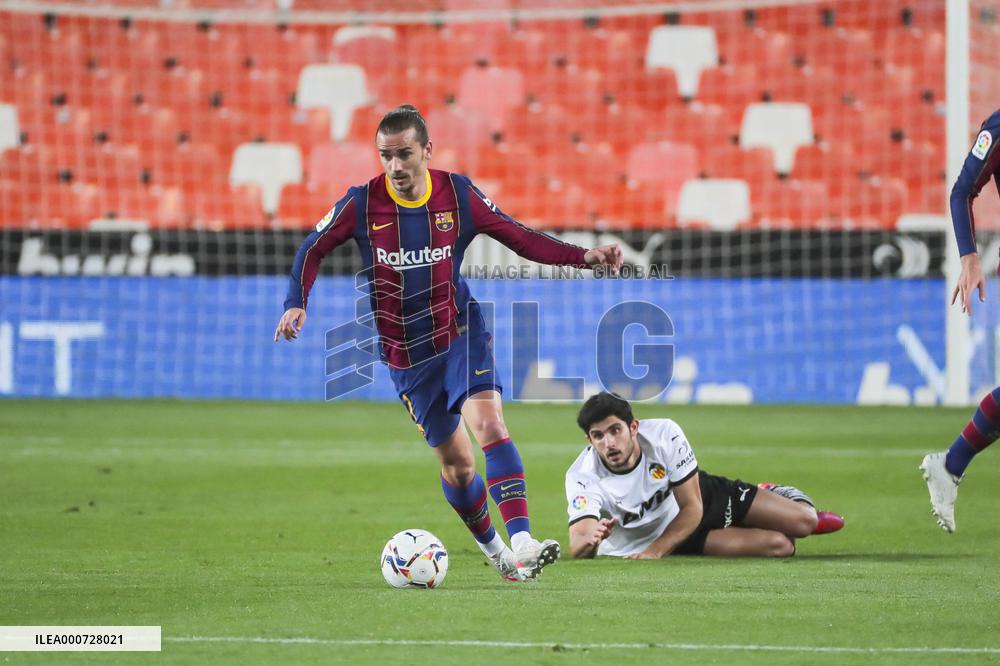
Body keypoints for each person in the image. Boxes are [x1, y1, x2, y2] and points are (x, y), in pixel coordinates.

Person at [274, 105, 623, 580]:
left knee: (490, 424)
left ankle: (522, 539)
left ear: (427, 151)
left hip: (459, 329)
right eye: (385, 156)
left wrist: (585, 256)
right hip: (406, 355)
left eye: (404, 154)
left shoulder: (457, 194)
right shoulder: (361, 203)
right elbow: (311, 248)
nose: (395, 166)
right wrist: (296, 301)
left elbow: (518, 237)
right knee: (459, 466)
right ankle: (501, 555)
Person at [565, 393, 844, 559]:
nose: (609, 443)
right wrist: (592, 541)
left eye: (615, 430)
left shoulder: (664, 435)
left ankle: (774, 492)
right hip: (680, 537)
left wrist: (656, 551)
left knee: (804, 522)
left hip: (699, 498)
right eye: (598, 436)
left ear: (633, 427)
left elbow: (693, 506)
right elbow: (579, 542)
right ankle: (758, 514)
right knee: (780, 546)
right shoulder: (582, 476)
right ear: (589, 439)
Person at [920, 108, 1000, 533]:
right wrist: (969, 257)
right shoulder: (998, 127)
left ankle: (949, 465)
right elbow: (961, 192)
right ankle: (949, 465)